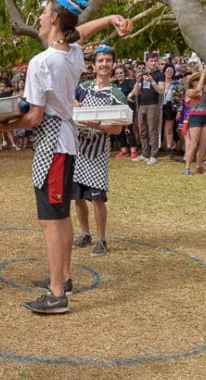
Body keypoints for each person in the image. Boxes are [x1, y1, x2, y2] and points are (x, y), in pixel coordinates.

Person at [0, 0, 129, 314]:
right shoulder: (73, 53)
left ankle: (56, 294)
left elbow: (34, 116)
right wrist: (109, 18)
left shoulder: (41, 62)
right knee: (62, 216)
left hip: (52, 146)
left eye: (44, 11)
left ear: (53, 18)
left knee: (50, 221)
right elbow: (80, 33)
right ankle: (63, 279)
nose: (39, 17)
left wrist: (3, 126)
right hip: (67, 143)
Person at [67, 42, 124, 259]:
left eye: (108, 60)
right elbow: (69, 103)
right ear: (93, 65)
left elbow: (117, 128)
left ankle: (101, 239)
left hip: (98, 153)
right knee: (78, 197)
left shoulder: (117, 94)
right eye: (100, 60)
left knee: (98, 198)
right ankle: (85, 233)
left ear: (113, 64)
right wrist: (74, 104)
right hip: (79, 150)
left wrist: (97, 125)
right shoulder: (83, 88)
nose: (104, 64)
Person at [183, 64, 206, 176]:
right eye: (197, 79)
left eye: (200, 79)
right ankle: (187, 167)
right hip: (194, 118)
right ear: (192, 82)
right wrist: (203, 74)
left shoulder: (204, 90)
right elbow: (197, 90)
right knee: (193, 143)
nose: (200, 81)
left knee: (203, 144)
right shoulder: (189, 91)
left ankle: (199, 166)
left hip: (205, 118)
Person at [130, 51, 165, 164]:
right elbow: (136, 93)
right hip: (142, 105)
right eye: (151, 61)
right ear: (147, 62)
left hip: (153, 105)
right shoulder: (143, 74)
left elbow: (161, 91)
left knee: (152, 131)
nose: (153, 63)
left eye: (155, 61)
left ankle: (154, 156)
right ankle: (145, 154)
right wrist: (137, 81)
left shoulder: (160, 74)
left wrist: (152, 81)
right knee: (143, 131)